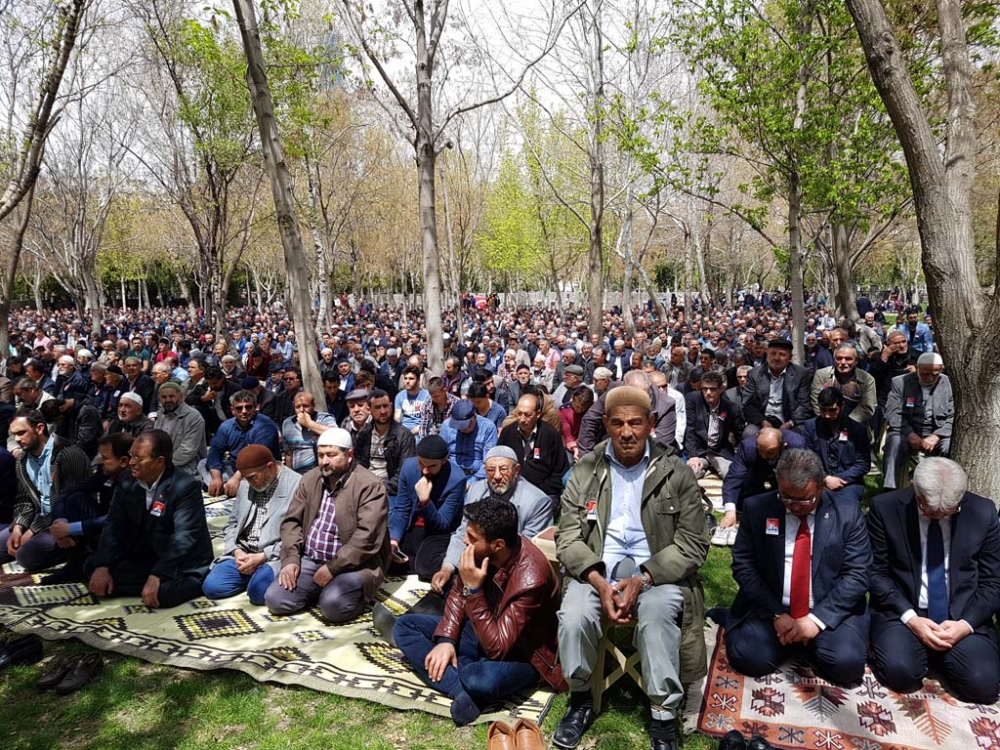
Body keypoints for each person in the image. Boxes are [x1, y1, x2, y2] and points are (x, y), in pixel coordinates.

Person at [553, 386, 708, 750]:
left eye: (636, 423)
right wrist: (597, 580)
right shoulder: (587, 469)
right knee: (574, 614)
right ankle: (580, 700)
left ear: (651, 424)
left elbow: (693, 543)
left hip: (656, 573)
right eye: (618, 423)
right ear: (606, 424)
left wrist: (644, 578)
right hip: (597, 571)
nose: (626, 432)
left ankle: (663, 715)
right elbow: (568, 538)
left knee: (656, 614)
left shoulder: (676, 471)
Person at [393, 498, 565, 726]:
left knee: (478, 678)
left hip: (523, 654)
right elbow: (456, 594)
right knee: (405, 626)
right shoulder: (480, 550)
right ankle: (460, 689)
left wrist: (473, 590)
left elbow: (497, 648)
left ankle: (467, 679)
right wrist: (446, 639)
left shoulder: (531, 577)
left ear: (498, 545)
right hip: (480, 629)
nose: (465, 540)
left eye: (472, 538)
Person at [718, 449, 871, 685]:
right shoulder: (757, 509)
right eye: (787, 497)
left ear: (821, 487)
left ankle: (807, 641)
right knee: (748, 659)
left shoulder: (848, 513)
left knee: (847, 667)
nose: (795, 506)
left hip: (825, 607)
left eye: (805, 499)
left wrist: (816, 621)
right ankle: (793, 640)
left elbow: (858, 574)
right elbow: (743, 565)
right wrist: (776, 614)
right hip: (774, 607)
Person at [867, 458, 1000, 704]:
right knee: (900, 673)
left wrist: (965, 624)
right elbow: (876, 574)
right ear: (915, 492)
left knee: (983, 685)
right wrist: (911, 619)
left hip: (962, 614)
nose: (937, 516)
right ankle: (917, 653)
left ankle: (946, 656)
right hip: (905, 612)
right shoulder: (884, 509)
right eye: (928, 510)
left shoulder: (983, 512)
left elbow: (993, 581)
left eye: (947, 512)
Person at [264, 428, 390, 623]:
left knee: (333, 607)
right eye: (321, 455)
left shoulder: (369, 485)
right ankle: (317, 589)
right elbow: (292, 522)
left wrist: (333, 568)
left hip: (355, 565)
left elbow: (366, 537)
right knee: (275, 600)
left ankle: (338, 592)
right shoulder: (310, 478)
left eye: (331, 455)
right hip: (312, 559)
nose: (324, 461)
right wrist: (290, 559)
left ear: (349, 455)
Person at [86, 430, 215, 609]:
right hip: (146, 557)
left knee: (162, 594)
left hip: (181, 562)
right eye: (131, 456)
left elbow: (184, 537)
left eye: (138, 458)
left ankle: (178, 582)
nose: (131, 463)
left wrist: (157, 575)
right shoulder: (126, 481)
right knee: (92, 569)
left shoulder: (185, 486)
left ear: (159, 461)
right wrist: (103, 565)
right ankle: (143, 583)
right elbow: (114, 524)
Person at [202, 444, 302, 605]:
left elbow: (299, 535)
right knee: (212, 587)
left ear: (270, 467)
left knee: (258, 592)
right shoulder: (247, 483)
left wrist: (263, 556)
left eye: (253, 477)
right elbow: (232, 524)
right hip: (244, 551)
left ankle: (257, 578)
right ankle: (250, 575)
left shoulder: (297, 486)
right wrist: (236, 551)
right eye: (245, 478)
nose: (248, 482)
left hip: (273, 555)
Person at [0, 410, 91, 570]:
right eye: (14, 434)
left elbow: (70, 503)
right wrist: (18, 528)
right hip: (38, 518)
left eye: (21, 433)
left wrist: (32, 531)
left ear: (40, 428)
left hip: (67, 522)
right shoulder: (22, 459)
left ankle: (73, 551)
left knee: (25, 556)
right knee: (9, 542)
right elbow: (24, 500)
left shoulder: (68, 453)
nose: (17, 439)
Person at [42, 433, 134, 584]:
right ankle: (75, 562)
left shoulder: (133, 482)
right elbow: (68, 492)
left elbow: (117, 519)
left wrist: (70, 529)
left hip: (123, 536)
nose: (101, 462)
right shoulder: (105, 473)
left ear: (123, 461)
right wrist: (60, 521)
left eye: (105, 458)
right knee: (75, 498)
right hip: (101, 529)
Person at [389, 435, 468, 580]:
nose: (425, 470)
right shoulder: (409, 467)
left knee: (426, 569)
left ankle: (420, 561)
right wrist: (394, 539)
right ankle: (416, 559)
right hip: (413, 526)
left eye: (431, 466)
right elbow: (402, 509)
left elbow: (443, 524)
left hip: (437, 532)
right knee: (382, 555)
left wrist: (425, 501)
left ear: (444, 460)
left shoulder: (457, 479)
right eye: (421, 464)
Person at [882, 352, 953, 490]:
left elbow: (953, 416)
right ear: (917, 368)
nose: (930, 377)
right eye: (925, 373)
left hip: (938, 432)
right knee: (895, 443)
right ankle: (889, 489)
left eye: (935, 373)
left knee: (949, 446)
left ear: (941, 370)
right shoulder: (900, 383)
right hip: (907, 430)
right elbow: (893, 412)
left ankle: (943, 489)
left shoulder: (949, 384)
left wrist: (937, 436)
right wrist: (909, 433)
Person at [717, 427, 806, 536]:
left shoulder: (798, 445)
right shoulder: (748, 446)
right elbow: (733, 478)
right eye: (760, 450)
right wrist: (730, 511)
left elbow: (804, 476)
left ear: (783, 446)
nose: (763, 455)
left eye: (769, 452)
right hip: (756, 472)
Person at [498, 393, 570, 509]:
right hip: (512, 489)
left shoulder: (550, 435)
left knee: (543, 508)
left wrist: (536, 491)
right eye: (519, 414)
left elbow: (560, 472)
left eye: (527, 415)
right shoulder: (508, 433)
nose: (522, 419)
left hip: (543, 490)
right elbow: (498, 462)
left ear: (538, 414)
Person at [205, 390, 281, 497]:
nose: (244, 411)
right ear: (233, 410)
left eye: (248, 407)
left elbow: (257, 458)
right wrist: (216, 478)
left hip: (258, 469)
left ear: (255, 407)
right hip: (234, 468)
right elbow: (215, 454)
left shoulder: (265, 425)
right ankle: (226, 485)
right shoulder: (226, 426)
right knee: (203, 464)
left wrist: (236, 478)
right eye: (239, 408)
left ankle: (231, 486)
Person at [801, 387, 870, 503]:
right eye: (823, 410)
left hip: (848, 482)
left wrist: (839, 479)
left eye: (832, 410)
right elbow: (808, 459)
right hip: (819, 480)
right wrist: (825, 478)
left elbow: (863, 464)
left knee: (846, 508)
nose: (827, 415)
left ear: (842, 406)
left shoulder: (857, 430)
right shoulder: (810, 427)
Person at [740, 339, 813, 436]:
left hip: (790, 421)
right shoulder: (754, 374)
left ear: (790, 357)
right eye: (773, 353)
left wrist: (789, 424)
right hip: (762, 421)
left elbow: (804, 405)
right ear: (767, 355)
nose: (777, 358)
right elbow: (747, 403)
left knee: (799, 438)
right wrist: (763, 422)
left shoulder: (801, 374)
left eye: (782, 354)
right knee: (749, 434)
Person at [354, 388, 417, 498]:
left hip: (390, 492)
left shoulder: (404, 436)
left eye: (385, 406)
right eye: (378, 407)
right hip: (364, 488)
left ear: (391, 406)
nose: (383, 411)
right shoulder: (364, 434)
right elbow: (358, 464)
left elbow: (404, 474)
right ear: (369, 410)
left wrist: (378, 488)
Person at [683, 371, 735, 480]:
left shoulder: (730, 407)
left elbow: (738, 431)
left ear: (721, 389)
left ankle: (712, 467)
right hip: (699, 450)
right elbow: (689, 428)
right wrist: (693, 455)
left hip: (719, 451)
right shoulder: (693, 399)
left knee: (732, 476)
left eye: (713, 389)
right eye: (704, 388)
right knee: (688, 475)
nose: (708, 392)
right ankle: (707, 468)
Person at [810, 344, 877, 427]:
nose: (843, 362)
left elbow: (867, 407)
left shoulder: (867, 379)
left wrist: (846, 423)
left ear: (856, 361)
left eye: (848, 359)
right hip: (825, 422)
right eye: (839, 358)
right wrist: (827, 418)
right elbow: (816, 401)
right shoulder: (822, 374)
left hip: (855, 424)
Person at [152, 382, 207, 477]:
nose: (168, 400)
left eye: (171, 396)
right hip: (162, 466)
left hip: (188, 468)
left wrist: (162, 465)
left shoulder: (193, 416)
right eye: (164, 397)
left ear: (181, 397)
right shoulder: (160, 414)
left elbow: (187, 451)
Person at [438, 399, 498, 480]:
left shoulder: (488, 428)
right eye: (458, 426)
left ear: (474, 417)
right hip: (451, 474)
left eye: (466, 425)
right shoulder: (447, 426)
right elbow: (440, 455)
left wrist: (472, 482)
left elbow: (489, 462)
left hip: (477, 476)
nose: (462, 428)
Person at [281, 391, 336, 475]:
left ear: (313, 405)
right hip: (298, 475)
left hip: (321, 472)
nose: (301, 410)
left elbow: (337, 434)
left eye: (306, 406)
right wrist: (290, 475)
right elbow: (289, 453)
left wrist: (309, 423)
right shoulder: (288, 423)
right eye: (298, 407)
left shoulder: (324, 419)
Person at [394, 365, 429, 436]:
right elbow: (397, 418)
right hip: (403, 432)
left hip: (420, 431)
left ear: (418, 380)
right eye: (405, 378)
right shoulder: (399, 396)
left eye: (411, 378)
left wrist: (410, 434)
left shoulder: (427, 396)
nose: (407, 381)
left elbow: (426, 422)